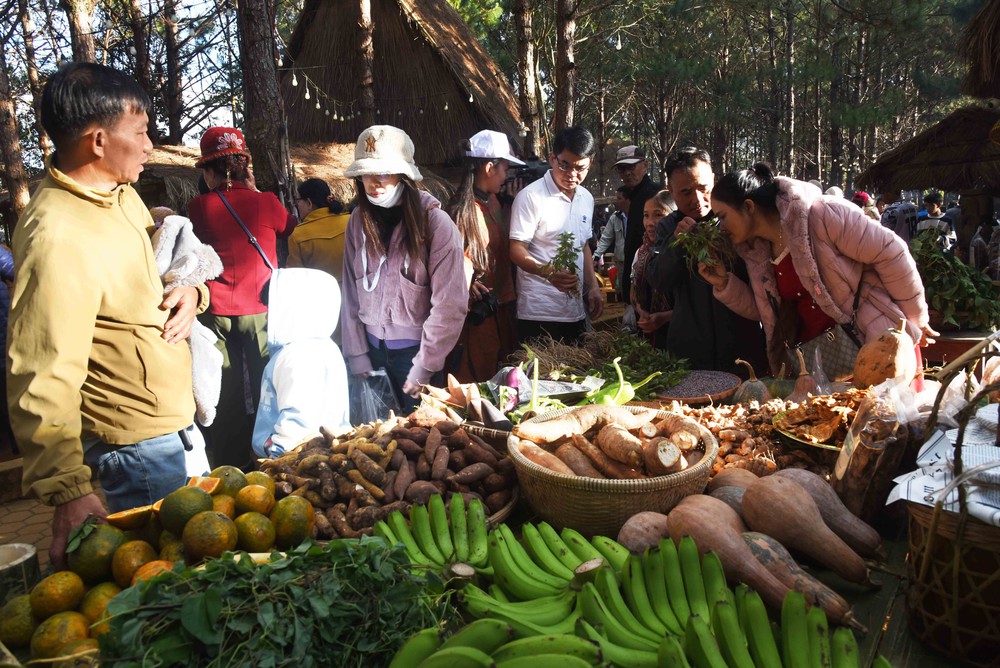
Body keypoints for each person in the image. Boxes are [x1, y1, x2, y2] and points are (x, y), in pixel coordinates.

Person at [8, 62, 208, 569]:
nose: (149, 146)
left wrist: (191, 290)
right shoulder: (57, 235)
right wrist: (67, 489)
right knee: (165, 585)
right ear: (98, 141)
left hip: (170, 423)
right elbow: (42, 369)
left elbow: (158, 269)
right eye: (140, 133)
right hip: (135, 447)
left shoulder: (119, 197)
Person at [699, 163, 934, 377]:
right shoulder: (757, 253)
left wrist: (916, 319)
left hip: (877, 348)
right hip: (825, 365)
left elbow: (892, 253)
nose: (722, 228)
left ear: (748, 207)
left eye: (723, 217)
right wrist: (724, 284)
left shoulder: (823, 215)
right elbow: (769, 313)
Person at [188, 126, 296, 468]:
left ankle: (230, 464)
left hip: (216, 310)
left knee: (225, 387)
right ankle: (273, 457)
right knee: (268, 383)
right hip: (263, 309)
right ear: (243, 165)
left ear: (210, 170)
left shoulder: (198, 207)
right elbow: (288, 226)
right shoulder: (266, 202)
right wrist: (254, 189)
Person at [341, 125, 468, 412]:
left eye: (384, 172)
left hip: (416, 355)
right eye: (366, 174)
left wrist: (425, 364)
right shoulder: (357, 223)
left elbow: (450, 306)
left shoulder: (436, 225)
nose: (374, 182)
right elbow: (350, 290)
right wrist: (357, 353)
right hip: (371, 354)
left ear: (405, 175)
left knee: (418, 439)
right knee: (376, 437)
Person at [644, 147, 767, 374]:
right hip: (690, 349)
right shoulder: (667, 228)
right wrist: (677, 242)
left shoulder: (735, 219)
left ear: (713, 179)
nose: (698, 200)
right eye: (686, 192)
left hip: (742, 343)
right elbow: (657, 279)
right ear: (670, 190)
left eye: (703, 188)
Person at [508, 126, 604, 344]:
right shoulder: (531, 197)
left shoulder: (586, 198)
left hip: (576, 311)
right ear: (552, 158)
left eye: (580, 168)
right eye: (565, 165)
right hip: (539, 313)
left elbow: (584, 246)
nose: (572, 175)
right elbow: (516, 250)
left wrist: (594, 287)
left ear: (589, 163)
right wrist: (549, 273)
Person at [445, 130, 524, 382]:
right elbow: (446, 264)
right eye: (505, 169)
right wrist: (466, 283)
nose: (506, 176)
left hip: (502, 310)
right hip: (477, 321)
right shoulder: (462, 210)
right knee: (477, 383)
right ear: (490, 167)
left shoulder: (494, 201)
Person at [253, 268, 350, 459]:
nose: (266, 318)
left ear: (292, 310)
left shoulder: (297, 357)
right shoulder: (325, 346)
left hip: (294, 463)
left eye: (271, 310)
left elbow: (298, 426)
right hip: (330, 454)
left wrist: (273, 450)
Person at [616, 145, 661, 306]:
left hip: (653, 284)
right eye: (622, 169)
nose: (627, 173)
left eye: (631, 167)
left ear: (645, 165)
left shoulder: (656, 194)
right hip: (638, 282)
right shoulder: (634, 197)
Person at [631, 190, 676, 347]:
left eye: (658, 215)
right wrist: (641, 311)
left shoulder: (683, 253)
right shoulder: (641, 253)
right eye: (646, 215)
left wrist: (664, 317)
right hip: (649, 340)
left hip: (679, 337)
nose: (650, 222)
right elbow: (634, 293)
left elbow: (696, 306)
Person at [288, 177, 350, 284]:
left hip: (321, 297)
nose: (297, 205)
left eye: (298, 201)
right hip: (354, 293)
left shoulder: (298, 236)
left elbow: (294, 278)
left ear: (309, 203)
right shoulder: (350, 221)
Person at [595, 186, 628, 297]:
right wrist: (596, 256)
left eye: (619, 198)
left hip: (637, 260)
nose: (615, 201)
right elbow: (605, 238)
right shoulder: (615, 218)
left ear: (628, 199)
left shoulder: (640, 215)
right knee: (624, 290)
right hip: (621, 261)